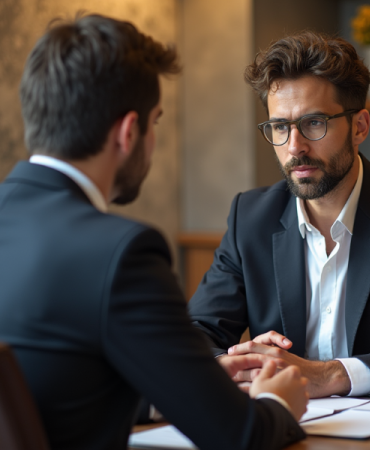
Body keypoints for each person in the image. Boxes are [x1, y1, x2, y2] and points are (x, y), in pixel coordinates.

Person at [0, 14, 308, 450]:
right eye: (156, 121)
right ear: (129, 132)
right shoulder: (120, 253)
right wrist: (278, 402)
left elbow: (53, 386)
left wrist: (185, 386)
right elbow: (241, 437)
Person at [188, 30, 370, 399]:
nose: (295, 147)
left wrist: (329, 375)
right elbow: (196, 332)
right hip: (283, 425)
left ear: (359, 127)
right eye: (280, 126)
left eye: (314, 123)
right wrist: (236, 363)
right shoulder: (250, 217)